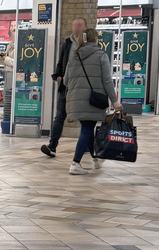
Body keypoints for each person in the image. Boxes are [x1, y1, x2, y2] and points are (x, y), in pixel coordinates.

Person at [64, 27, 121, 175]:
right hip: (93, 100)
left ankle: (96, 158)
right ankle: (75, 163)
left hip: (75, 100)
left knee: (87, 129)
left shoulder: (73, 56)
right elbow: (107, 81)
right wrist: (114, 101)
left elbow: (65, 81)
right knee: (87, 129)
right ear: (95, 39)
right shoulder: (101, 55)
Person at [42, 17, 87, 158]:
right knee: (59, 116)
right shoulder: (67, 43)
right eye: (75, 26)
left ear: (85, 27)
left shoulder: (88, 44)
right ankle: (52, 146)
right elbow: (61, 61)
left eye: (79, 25)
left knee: (85, 118)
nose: (76, 28)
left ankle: (87, 145)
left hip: (81, 88)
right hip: (65, 87)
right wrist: (57, 76)